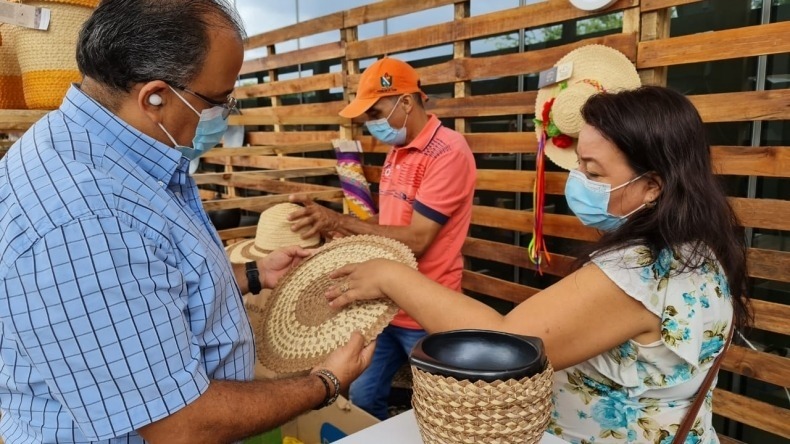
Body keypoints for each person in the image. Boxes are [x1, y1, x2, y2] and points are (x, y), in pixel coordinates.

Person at [0, 1, 373, 443]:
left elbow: (145, 283)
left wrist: (251, 273)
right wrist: (323, 382)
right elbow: (181, 424)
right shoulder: (86, 219)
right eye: (216, 101)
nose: (222, 114)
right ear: (155, 96)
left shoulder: (95, 152)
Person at [326, 86, 750, 444]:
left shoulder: (639, 271)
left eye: (593, 171)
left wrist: (392, 276)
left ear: (653, 185)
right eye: (579, 163)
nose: (577, 180)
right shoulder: (696, 247)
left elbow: (503, 347)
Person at [288, 57, 477, 420]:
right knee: (362, 398)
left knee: (444, 410)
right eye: (367, 118)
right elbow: (388, 222)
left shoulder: (448, 152)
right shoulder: (397, 152)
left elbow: (418, 239)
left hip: (425, 306)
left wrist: (340, 219)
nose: (371, 124)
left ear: (406, 102)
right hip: (382, 306)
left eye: (376, 112)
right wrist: (337, 229)